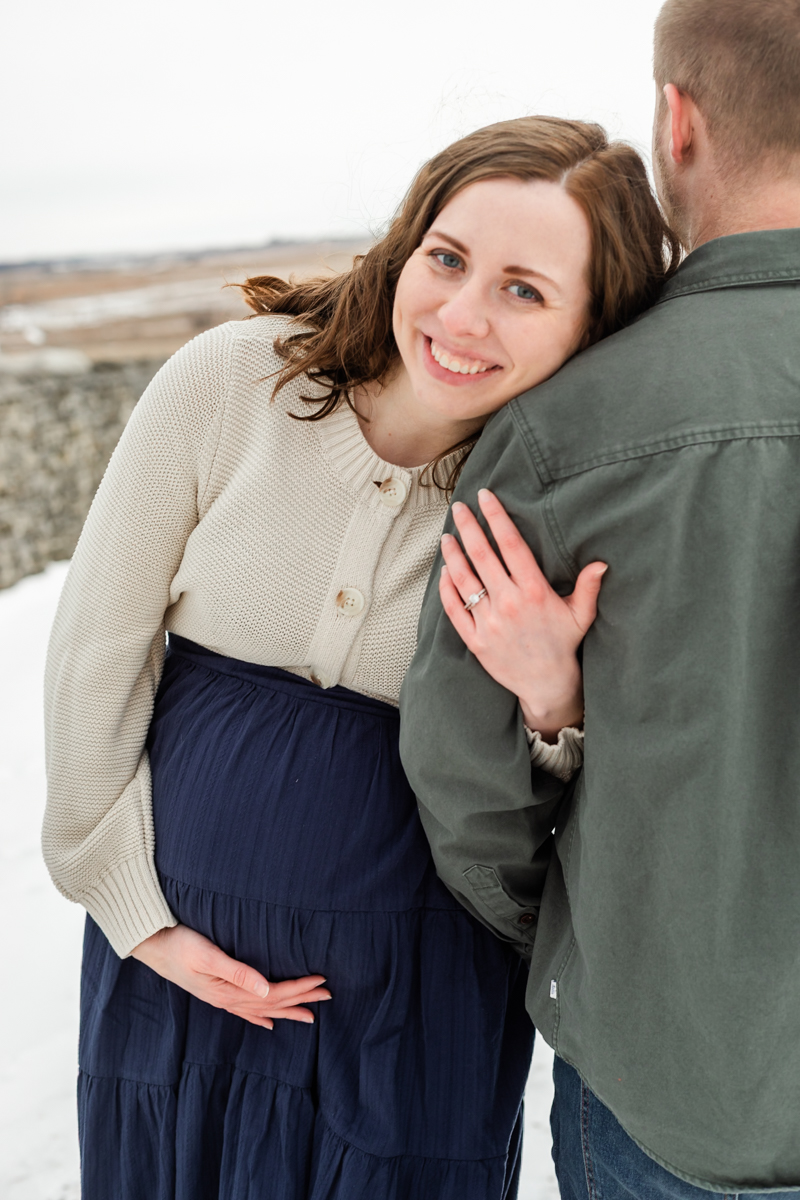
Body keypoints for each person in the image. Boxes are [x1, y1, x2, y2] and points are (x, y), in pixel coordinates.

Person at [43, 116, 676, 1200]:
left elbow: (566, 824)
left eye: (524, 290)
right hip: (175, 980)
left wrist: (550, 700)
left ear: (592, 323)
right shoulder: (231, 385)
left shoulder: (571, 500)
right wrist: (130, 913)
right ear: (405, 241)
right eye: (446, 257)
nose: (461, 314)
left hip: (413, 1021)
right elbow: (94, 654)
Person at [399, 0, 800, 1196]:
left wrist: (594, 938)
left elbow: (467, 800)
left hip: (672, 1094)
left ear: (676, 121)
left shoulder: (555, 434)